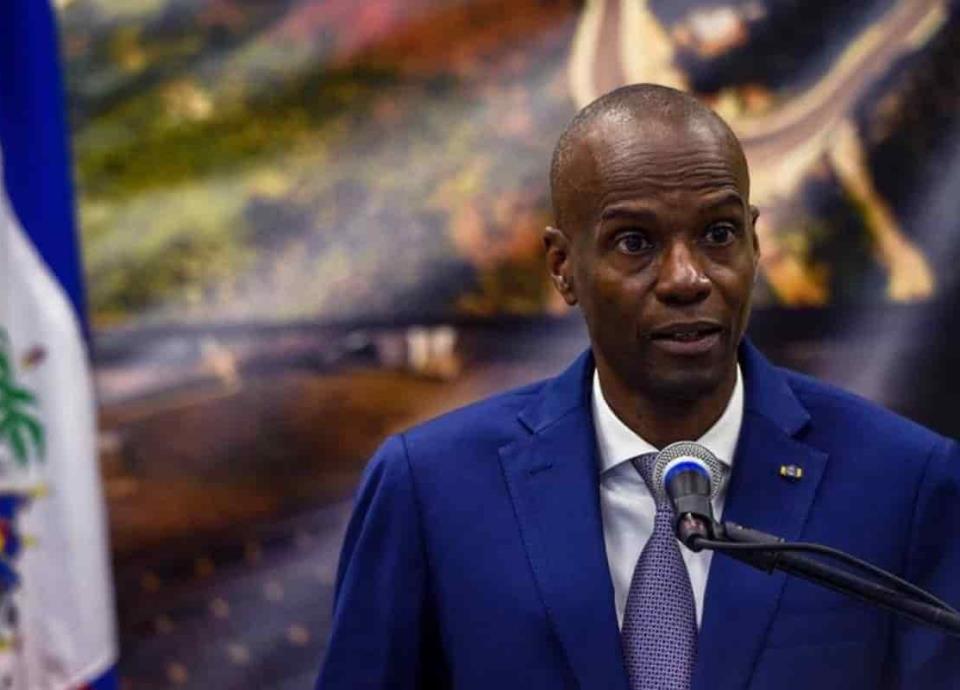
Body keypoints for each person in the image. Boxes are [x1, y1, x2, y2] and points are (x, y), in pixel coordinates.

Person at [316, 84, 960, 689]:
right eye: (635, 242)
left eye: (718, 235)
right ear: (563, 267)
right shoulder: (431, 487)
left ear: (755, 241)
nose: (686, 278)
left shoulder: (903, 481)